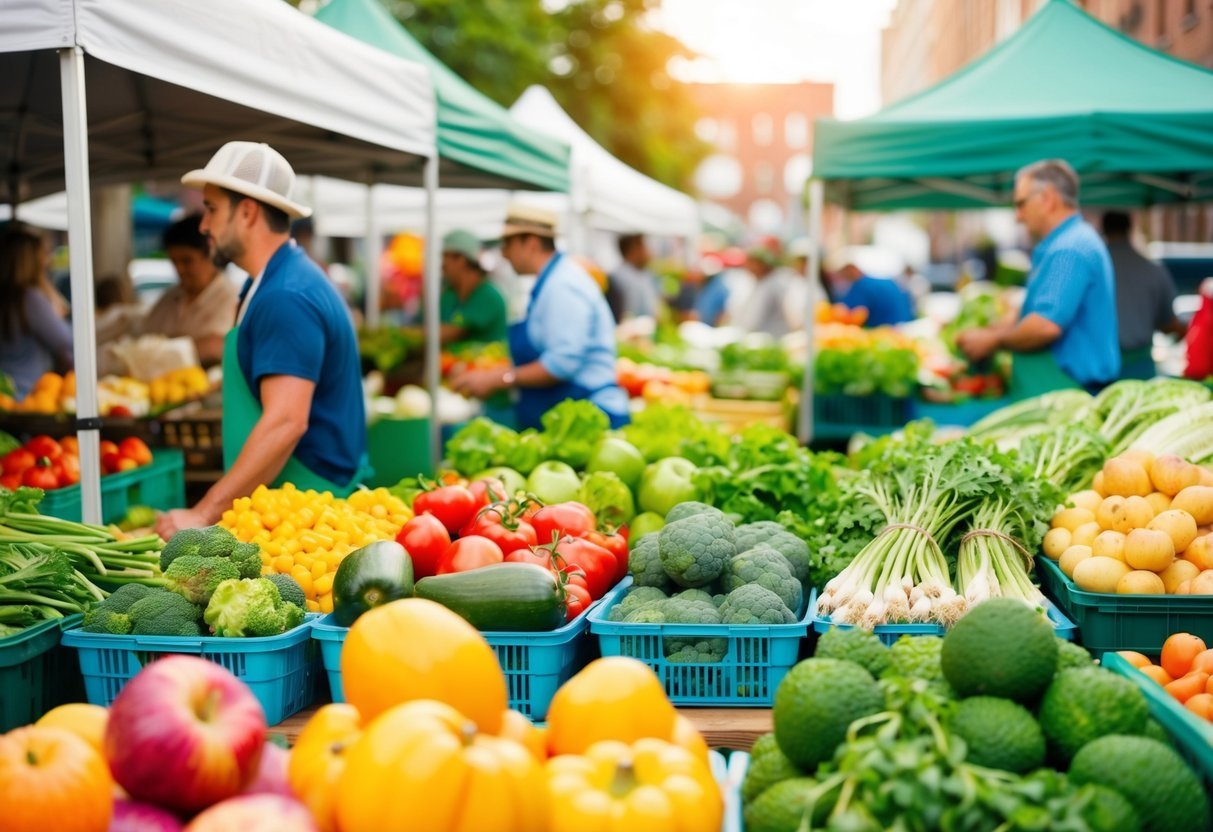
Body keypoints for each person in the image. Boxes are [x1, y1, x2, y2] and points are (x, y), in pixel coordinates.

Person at [156, 142, 366, 540]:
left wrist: (204, 512)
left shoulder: (285, 295)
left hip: (306, 514)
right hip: (286, 504)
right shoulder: (270, 282)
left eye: (212, 209)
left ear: (248, 211)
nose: (203, 225)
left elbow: (286, 421)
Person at [448, 204, 629, 430]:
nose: (504, 253)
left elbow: (562, 364)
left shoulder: (562, 286)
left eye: (508, 245)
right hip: (568, 417)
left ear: (531, 243)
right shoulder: (552, 282)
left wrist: (498, 379)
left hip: (588, 420)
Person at [957, 159, 1119, 398]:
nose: (1018, 216)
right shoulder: (1071, 242)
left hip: (1066, 396)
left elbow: (1045, 326)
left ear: (1048, 198)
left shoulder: (1069, 249)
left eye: (1021, 204)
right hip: (1061, 392)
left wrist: (993, 340)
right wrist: (998, 329)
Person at [140, 214, 239, 366]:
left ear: (210, 255)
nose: (180, 269)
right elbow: (144, 339)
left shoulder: (232, 297)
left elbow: (219, 347)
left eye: (187, 261)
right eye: (174, 262)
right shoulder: (169, 299)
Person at [1102, 211, 1184, 380]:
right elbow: (1168, 323)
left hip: (1100, 367)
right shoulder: (1153, 270)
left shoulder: (1093, 270)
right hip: (1140, 368)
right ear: (1129, 229)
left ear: (1103, 229)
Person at [0, 225, 73, 398]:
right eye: (43, 256)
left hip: (7, 390)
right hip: (25, 393)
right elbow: (67, 340)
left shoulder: (10, 297)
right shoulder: (30, 298)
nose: (46, 262)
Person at [438, 229, 507, 346]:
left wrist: (405, 334)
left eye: (445, 257)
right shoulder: (448, 296)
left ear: (461, 259)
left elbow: (453, 331)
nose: (442, 265)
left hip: (486, 363)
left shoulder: (488, 296)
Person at [826, 249, 914, 328]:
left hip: (886, 332)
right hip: (903, 328)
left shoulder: (864, 285)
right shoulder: (887, 281)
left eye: (843, 271)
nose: (842, 275)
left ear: (852, 268)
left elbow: (847, 311)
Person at [732, 243, 804, 338]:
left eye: (753, 263)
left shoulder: (777, 284)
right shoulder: (755, 282)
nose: (749, 267)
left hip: (773, 338)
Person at [607, 234, 660, 322]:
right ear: (634, 249)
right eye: (644, 246)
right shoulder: (617, 278)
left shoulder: (646, 274)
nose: (649, 251)